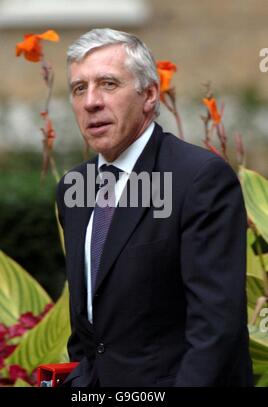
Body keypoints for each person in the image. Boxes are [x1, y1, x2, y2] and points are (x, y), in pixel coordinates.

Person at [56, 28, 253, 387]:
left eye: (108, 84)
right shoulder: (74, 186)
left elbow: (215, 330)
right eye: (79, 88)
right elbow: (87, 328)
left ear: (149, 95)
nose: (91, 102)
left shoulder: (200, 180)